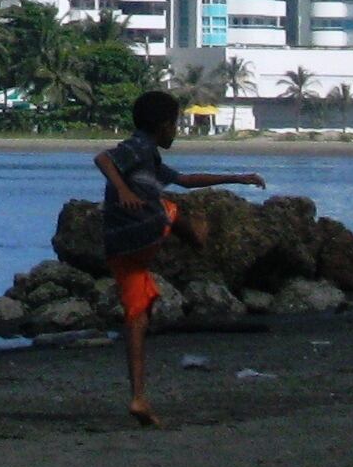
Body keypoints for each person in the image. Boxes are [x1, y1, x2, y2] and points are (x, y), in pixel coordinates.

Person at [95, 90, 263, 428]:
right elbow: (103, 158)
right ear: (162, 126)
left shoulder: (150, 157)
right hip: (141, 231)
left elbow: (185, 180)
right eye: (175, 125)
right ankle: (195, 235)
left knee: (137, 317)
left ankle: (138, 398)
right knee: (168, 209)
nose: (177, 132)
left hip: (118, 246)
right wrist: (125, 191)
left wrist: (238, 177)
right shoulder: (139, 146)